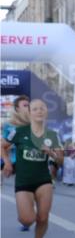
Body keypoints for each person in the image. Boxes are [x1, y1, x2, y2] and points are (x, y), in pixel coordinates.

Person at [2, 100, 64, 238]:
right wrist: (7, 163)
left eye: (42, 108)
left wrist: (50, 152)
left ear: (46, 112)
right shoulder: (19, 131)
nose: (39, 111)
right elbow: (2, 146)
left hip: (43, 180)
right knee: (27, 219)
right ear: (29, 113)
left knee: (43, 217)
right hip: (23, 181)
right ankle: (27, 215)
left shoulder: (52, 135)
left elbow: (61, 161)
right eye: (35, 109)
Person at [3, 95, 32, 229]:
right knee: (23, 189)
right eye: (25, 105)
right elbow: (3, 145)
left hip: (31, 161)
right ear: (17, 109)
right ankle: (25, 216)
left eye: (29, 105)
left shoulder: (35, 123)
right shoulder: (9, 125)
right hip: (15, 159)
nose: (28, 107)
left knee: (31, 189)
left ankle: (28, 215)